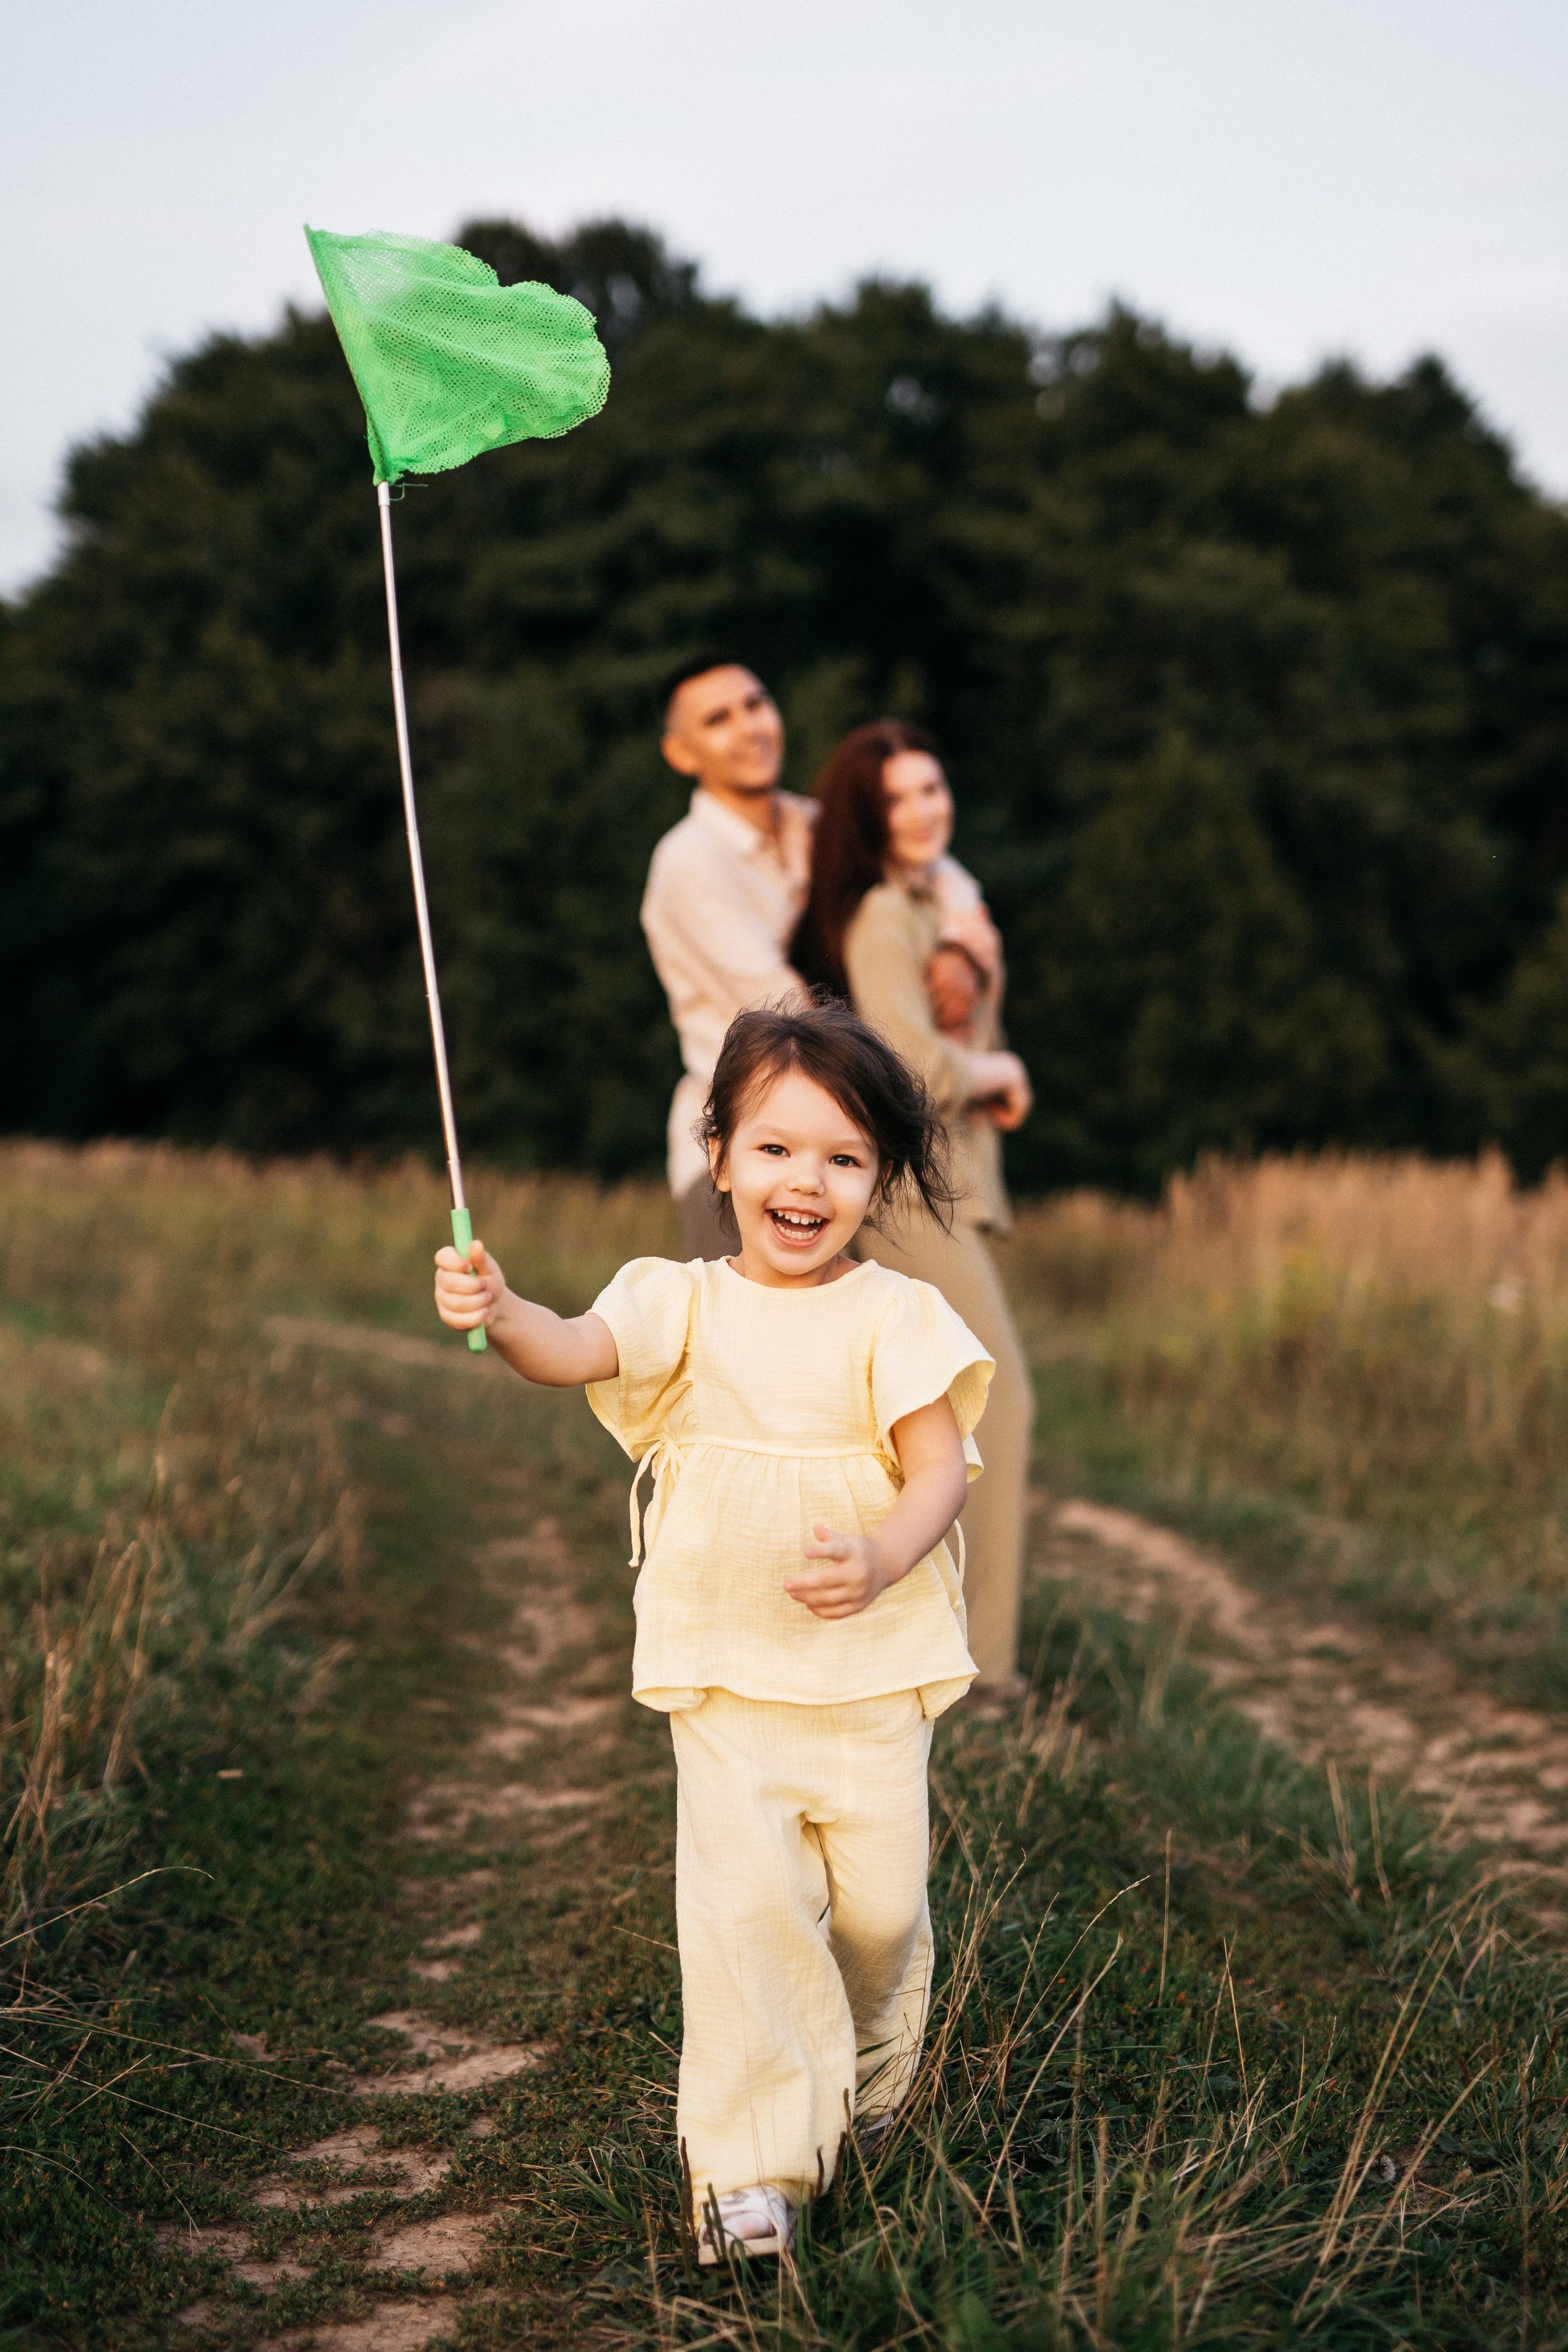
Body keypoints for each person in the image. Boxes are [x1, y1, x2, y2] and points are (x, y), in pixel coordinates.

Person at [432, 1000, 992, 2264]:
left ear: (878, 1183)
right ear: (721, 1157)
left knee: (877, 1917)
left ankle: (860, 2083)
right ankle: (751, 2172)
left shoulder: (892, 1319)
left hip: (869, 1683)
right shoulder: (676, 1301)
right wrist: (500, 1305)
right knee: (745, 1921)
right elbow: (567, 1350)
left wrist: (885, 1553)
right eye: (778, 1149)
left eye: (845, 1159)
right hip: (728, 1682)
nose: (807, 1181)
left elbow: (939, 1472)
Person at [793, 721, 1034, 1695]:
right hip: (917, 1192)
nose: (927, 811)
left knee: (931, 1422)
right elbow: (916, 1068)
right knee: (999, 1401)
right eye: (901, 799)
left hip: (953, 1188)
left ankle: (926, 1658)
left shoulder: (938, 894)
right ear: (868, 817)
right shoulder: (884, 914)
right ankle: (985, 1671)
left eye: (935, 788)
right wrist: (1001, 1067)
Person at [640, 656, 813, 1260]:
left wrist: (960, 947)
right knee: (749, 1352)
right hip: (736, 1159)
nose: (749, 728)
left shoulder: (812, 827)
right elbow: (790, 1012)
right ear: (681, 754)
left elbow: (930, 876)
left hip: (828, 1147)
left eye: (756, 704)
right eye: (718, 720)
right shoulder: (689, 861)